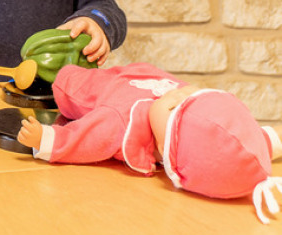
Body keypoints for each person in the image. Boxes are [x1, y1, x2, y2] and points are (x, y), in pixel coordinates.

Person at [17, 62, 282, 224]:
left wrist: (48, 139)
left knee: (70, 82)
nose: (180, 94)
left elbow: (86, 139)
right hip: (132, 75)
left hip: (90, 88)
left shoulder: (122, 121)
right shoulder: (200, 129)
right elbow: (243, 140)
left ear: (171, 158)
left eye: (174, 108)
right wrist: (271, 141)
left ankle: (63, 79)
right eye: (193, 95)